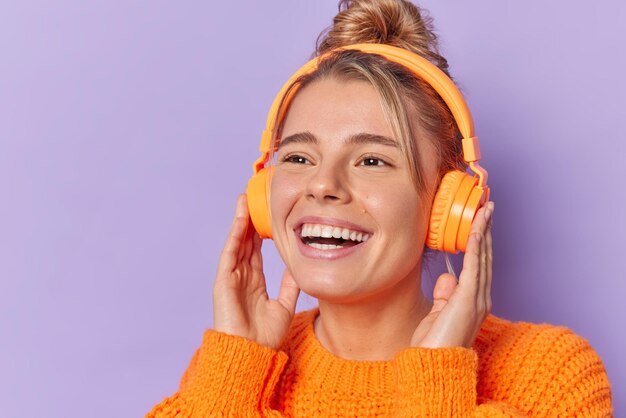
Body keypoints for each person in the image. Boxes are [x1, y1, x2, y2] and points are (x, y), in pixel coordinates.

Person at [147, 0, 613, 416]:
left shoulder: (549, 374)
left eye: (372, 160)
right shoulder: (235, 372)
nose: (323, 185)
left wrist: (437, 383)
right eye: (298, 158)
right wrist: (235, 374)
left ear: (446, 204)